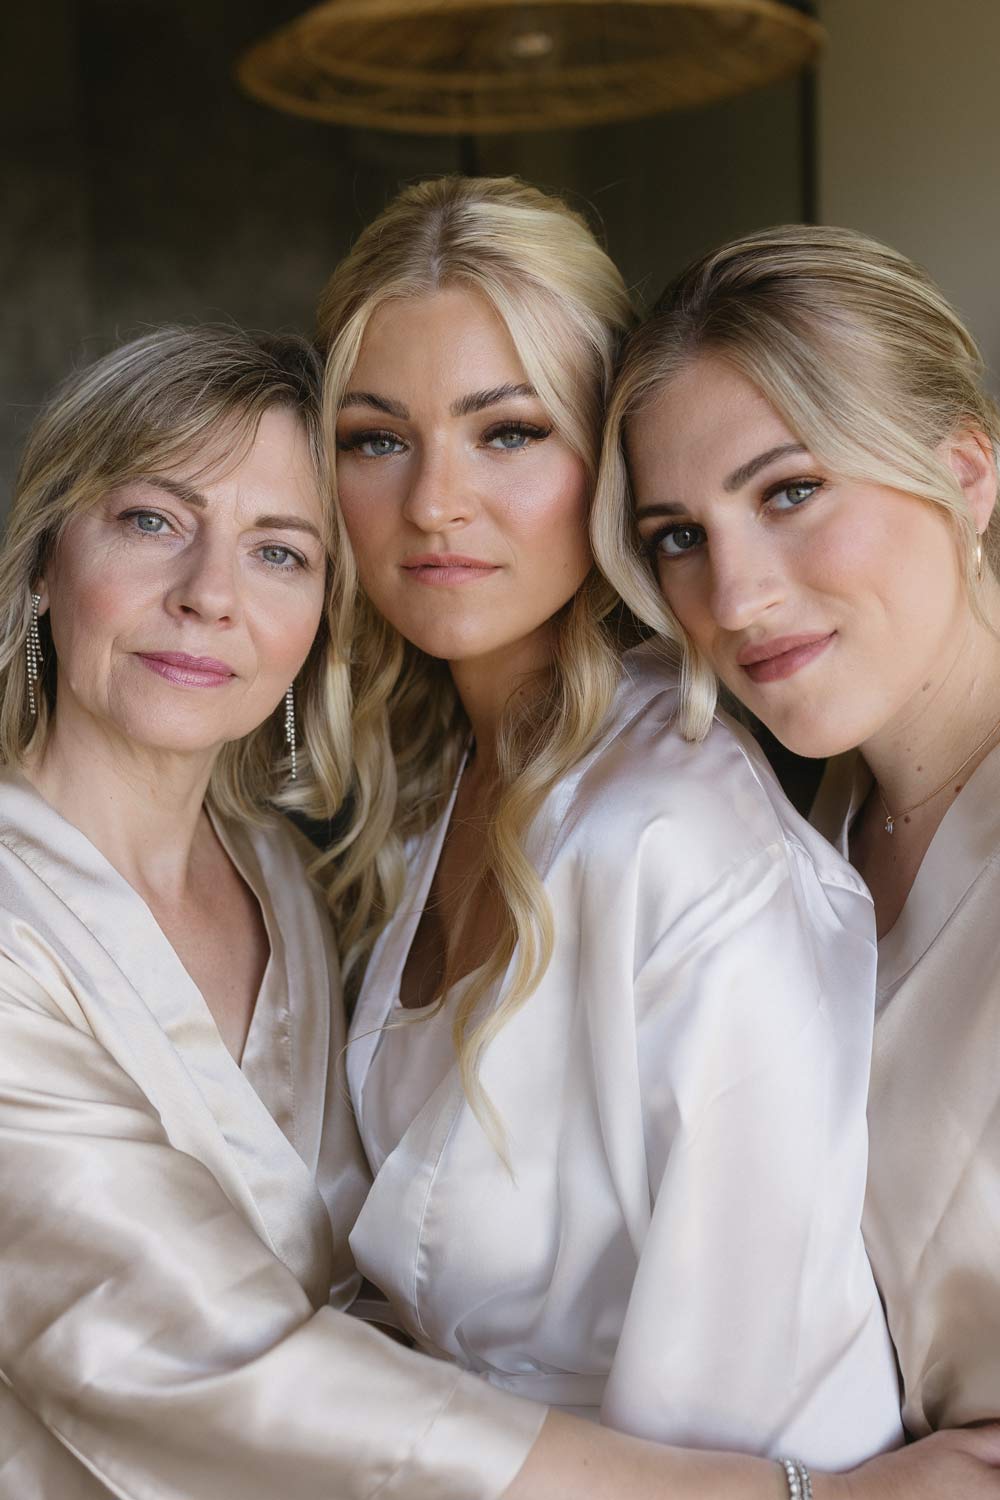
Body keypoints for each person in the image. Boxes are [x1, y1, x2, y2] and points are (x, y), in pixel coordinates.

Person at [0, 321, 725, 1500]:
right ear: (43, 560)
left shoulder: (287, 881)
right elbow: (206, 1361)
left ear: (325, 611)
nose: (208, 596)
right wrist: (791, 1494)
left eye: (279, 552)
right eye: (150, 522)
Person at [316, 174, 907, 1496]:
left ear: (609, 461)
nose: (434, 504)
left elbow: (755, 1401)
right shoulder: (442, 788)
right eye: (376, 439)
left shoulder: (682, 835)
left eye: (508, 431)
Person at [597, 222, 1000, 1493]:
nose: (736, 594)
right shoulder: (789, 832)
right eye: (678, 535)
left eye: (788, 492)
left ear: (967, 472)